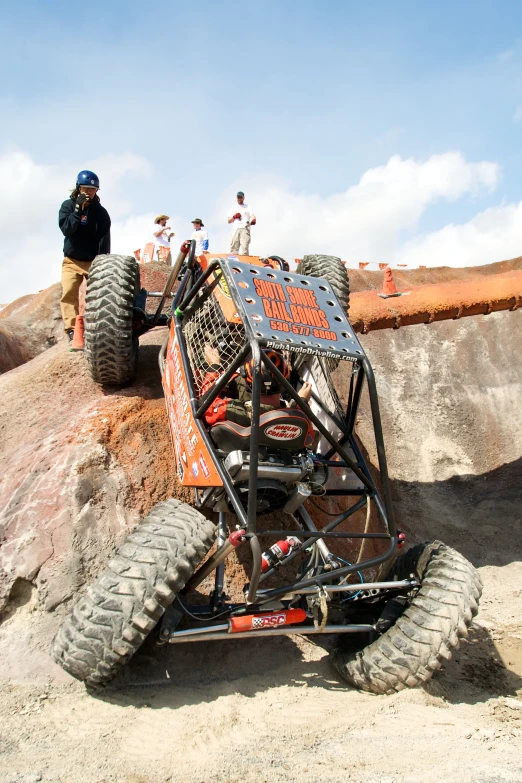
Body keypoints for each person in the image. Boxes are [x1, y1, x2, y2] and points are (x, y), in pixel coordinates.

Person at [58, 170, 111, 341]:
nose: (88, 192)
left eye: (92, 189)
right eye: (85, 188)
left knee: (100, 294)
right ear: (78, 188)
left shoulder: (101, 213)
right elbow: (67, 229)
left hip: (92, 262)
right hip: (71, 260)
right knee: (69, 293)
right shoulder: (67, 206)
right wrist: (77, 210)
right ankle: (72, 329)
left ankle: (99, 327)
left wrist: (102, 262)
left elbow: (104, 241)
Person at [201, 347, 311, 426]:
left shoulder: (236, 412)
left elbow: (206, 406)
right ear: (285, 380)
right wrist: (302, 402)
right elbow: (309, 433)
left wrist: (214, 367)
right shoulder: (299, 419)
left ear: (249, 383)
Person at [227, 191, 256, 255]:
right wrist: (234, 217)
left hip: (245, 228)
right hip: (236, 228)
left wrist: (253, 220)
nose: (239, 199)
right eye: (238, 197)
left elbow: (252, 216)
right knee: (234, 247)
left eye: (241, 197)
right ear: (236, 198)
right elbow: (229, 220)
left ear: (243, 198)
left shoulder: (248, 207)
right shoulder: (233, 208)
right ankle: (233, 261)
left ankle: (244, 262)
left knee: (244, 247)